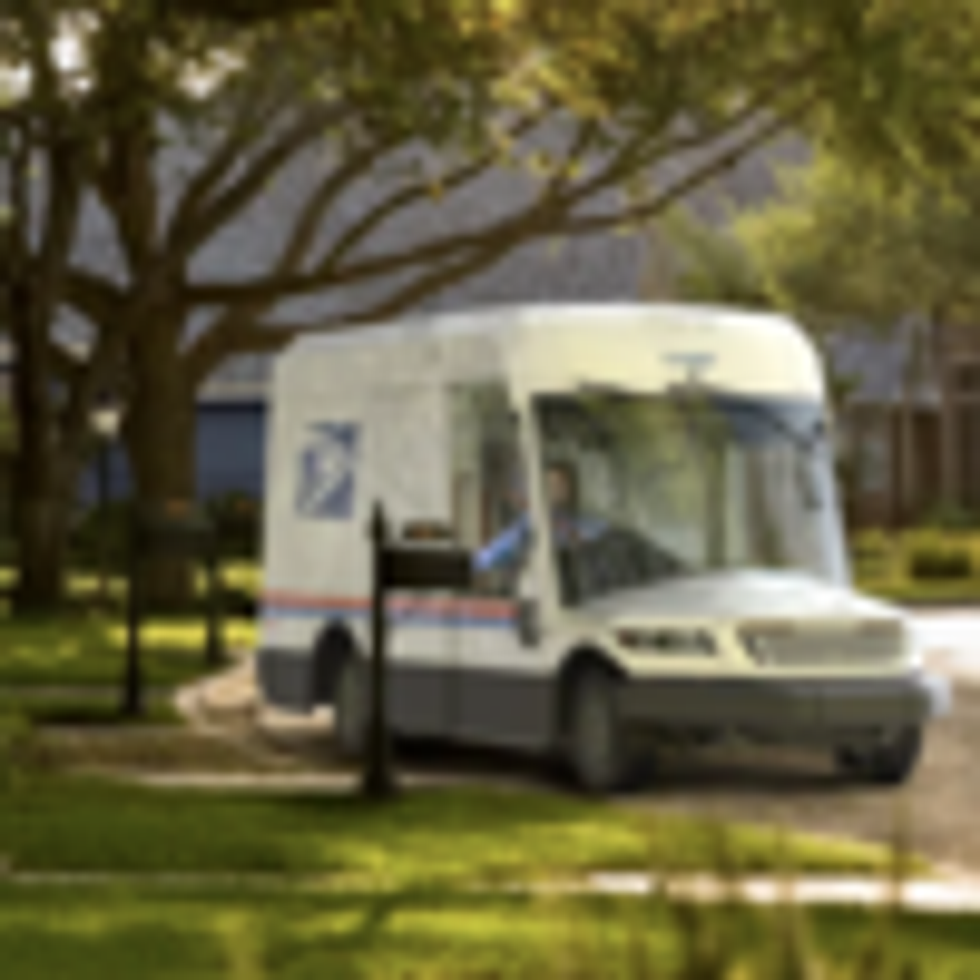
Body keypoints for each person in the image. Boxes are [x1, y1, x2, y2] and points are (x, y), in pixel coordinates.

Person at [474, 461, 603, 574]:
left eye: (563, 484)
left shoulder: (584, 521)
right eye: (552, 485)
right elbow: (489, 556)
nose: (558, 489)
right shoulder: (529, 523)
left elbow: (597, 538)